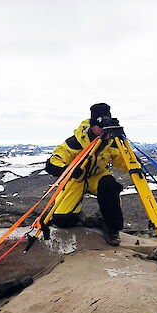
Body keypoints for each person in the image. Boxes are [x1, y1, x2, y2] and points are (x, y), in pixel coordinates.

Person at [45, 103, 128, 246]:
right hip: (77, 178)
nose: (104, 131)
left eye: (106, 128)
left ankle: (111, 227)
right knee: (62, 220)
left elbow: (123, 162)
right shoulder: (77, 141)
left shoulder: (112, 141)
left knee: (109, 185)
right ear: (93, 125)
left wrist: (133, 164)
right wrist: (70, 170)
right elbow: (53, 163)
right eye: (101, 127)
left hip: (98, 176)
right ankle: (79, 217)